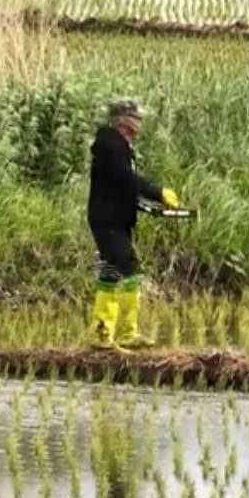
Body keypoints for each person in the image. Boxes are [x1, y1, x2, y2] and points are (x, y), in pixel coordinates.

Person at [87, 99, 178, 350]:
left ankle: (121, 333)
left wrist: (150, 207)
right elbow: (125, 179)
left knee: (119, 270)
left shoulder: (120, 147)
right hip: (107, 220)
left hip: (116, 218)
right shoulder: (110, 146)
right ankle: (105, 335)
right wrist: (157, 191)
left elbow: (122, 188)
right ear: (124, 120)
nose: (139, 122)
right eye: (136, 117)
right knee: (122, 270)